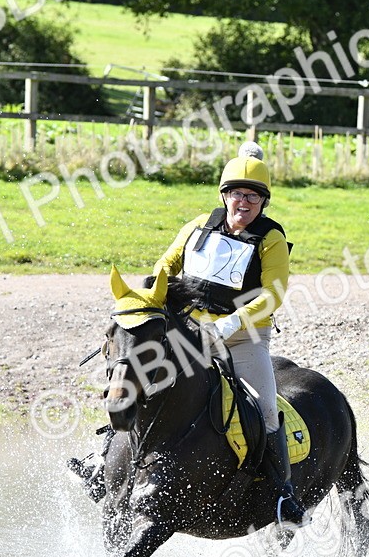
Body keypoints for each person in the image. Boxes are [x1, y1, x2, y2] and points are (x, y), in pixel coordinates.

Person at [70, 147, 307, 525]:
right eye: (236, 194)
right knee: (136, 380)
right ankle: (103, 460)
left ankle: (283, 497)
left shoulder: (270, 238)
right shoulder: (200, 226)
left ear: (263, 201)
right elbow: (167, 264)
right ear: (223, 195)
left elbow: (272, 293)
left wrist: (230, 324)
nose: (243, 202)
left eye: (252, 196)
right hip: (192, 332)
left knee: (264, 411)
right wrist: (156, 296)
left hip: (243, 338)